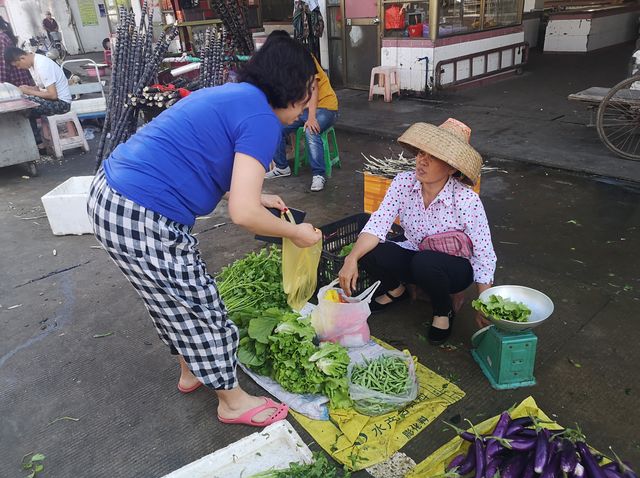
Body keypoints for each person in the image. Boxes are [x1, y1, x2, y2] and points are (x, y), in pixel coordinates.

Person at [86, 36, 321, 427]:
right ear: (292, 84)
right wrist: (294, 234)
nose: (306, 105)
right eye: (307, 91)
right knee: (203, 307)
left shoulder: (236, 94)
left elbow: (201, 153)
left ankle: (191, 370)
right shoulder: (262, 120)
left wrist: (258, 195)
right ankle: (231, 401)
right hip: (143, 212)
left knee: (168, 299)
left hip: (111, 198)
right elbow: (242, 213)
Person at [338, 119, 497, 345]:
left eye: (433, 157)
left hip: (455, 268)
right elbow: (379, 222)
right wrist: (351, 258)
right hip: (416, 253)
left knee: (425, 263)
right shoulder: (403, 182)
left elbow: (484, 254)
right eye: (422, 153)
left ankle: (443, 310)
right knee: (367, 251)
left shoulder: (466, 200)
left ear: (452, 168)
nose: (422, 161)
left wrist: (485, 304)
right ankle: (397, 289)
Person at [264, 30, 338, 192]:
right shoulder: (281, 65)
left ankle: (319, 174)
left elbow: (313, 87)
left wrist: (311, 118)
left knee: (311, 130)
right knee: (275, 127)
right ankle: (282, 167)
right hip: (303, 109)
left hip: (326, 106)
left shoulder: (304, 57)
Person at [4, 47, 71, 143]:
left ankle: (37, 143)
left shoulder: (42, 65)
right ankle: (37, 142)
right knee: (23, 103)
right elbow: (41, 88)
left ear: (22, 58)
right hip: (53, 100)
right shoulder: (32, 64)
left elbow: (53, 95)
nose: (19, 68)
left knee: (25, 107)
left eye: (18, 65)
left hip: (62, 103)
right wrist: (29, 88)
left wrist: (29, 92)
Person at [0, 16, 34, 87]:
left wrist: (1, 83)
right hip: (17, 77)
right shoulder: (4, 36)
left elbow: (3, 63)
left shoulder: (1, 38)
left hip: (14, 78)